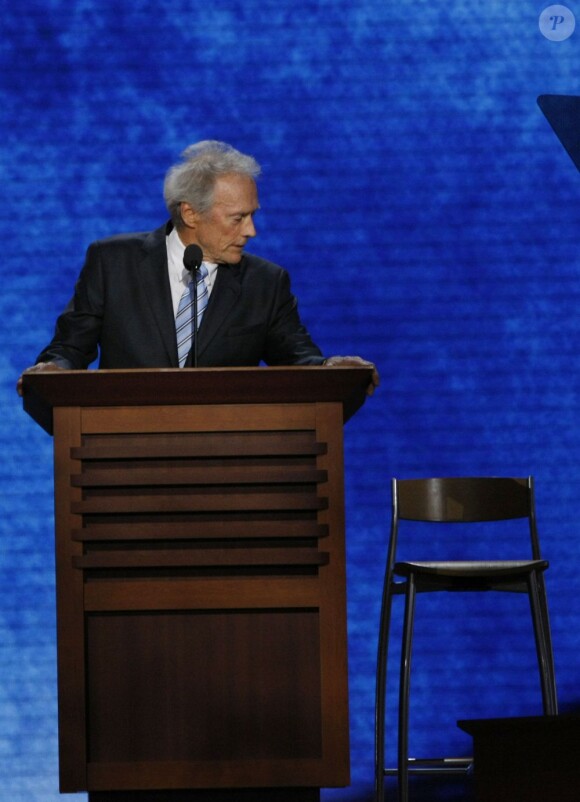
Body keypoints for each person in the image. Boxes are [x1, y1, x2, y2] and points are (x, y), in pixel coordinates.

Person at [17, 140, 379, 395]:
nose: (251, 231)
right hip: (125, 455)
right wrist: (52, 372)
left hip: (226, 465)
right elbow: (69, 349)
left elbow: (299, 359)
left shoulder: (266, 283)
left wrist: (329, 370)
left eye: (252, 216)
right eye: (238, 218)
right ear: (190, 213)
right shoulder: (112, 263)